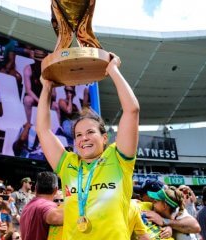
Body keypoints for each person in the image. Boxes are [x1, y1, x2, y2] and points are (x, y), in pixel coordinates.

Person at [36, 53, 140, 239]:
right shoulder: (68, 164)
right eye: (78, 135)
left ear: (105, 137)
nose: (84, 138)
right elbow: (43, 130)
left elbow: (132, 110)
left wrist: (113, 70)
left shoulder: (119, 159)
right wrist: (46, 87)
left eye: (90, 132)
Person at [20, 172, 63, 240]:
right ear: (56, 190)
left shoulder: (27, 206)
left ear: (36, 188)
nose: (59, 202)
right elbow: (55, 217)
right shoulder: (46, 206)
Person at [22, 49, 59, 124]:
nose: (39, 63)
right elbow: (28, 90)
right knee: (27, 100)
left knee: (56, 106)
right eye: (38, 61)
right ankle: (28, 123)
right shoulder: (28, 69)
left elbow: (54, 95)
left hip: (45, 98)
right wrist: (39, 101)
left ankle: (58, 128)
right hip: (34, 97)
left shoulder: (50, 72)